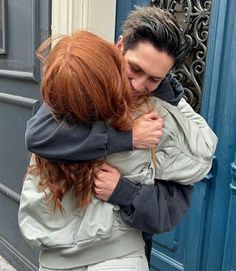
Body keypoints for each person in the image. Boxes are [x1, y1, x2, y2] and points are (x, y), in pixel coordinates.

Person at [24, 6, 217, 263]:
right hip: (59, 245)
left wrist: (123, 192)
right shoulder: (88, 80)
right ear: (119, 47)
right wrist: (127, 139)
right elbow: (39, 135)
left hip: (122, 252)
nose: (139, 86)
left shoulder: (167, 111)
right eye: (135, 69)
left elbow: (175, 202)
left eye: (154, 79)